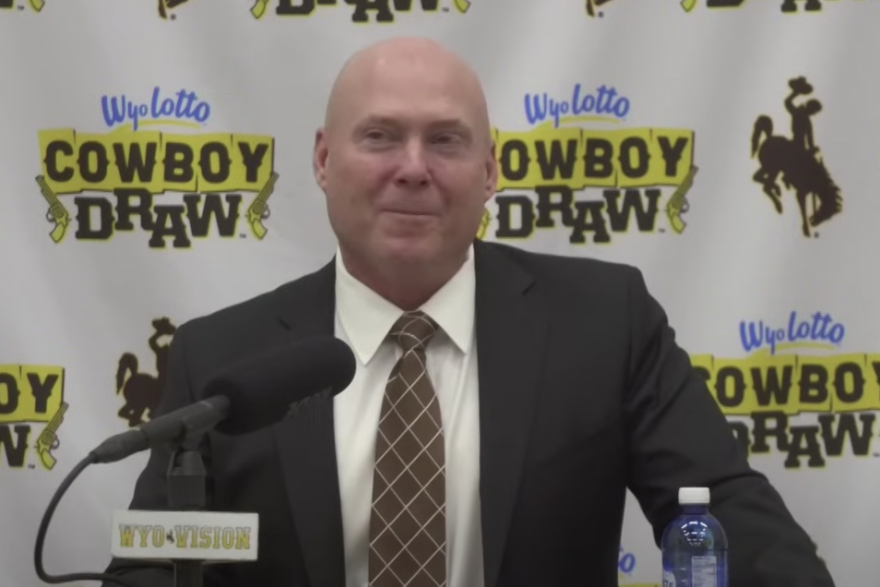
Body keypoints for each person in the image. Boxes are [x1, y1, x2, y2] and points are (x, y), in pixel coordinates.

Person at [102, 37, 836, 587]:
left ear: (491, 171)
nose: (414, 167)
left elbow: (728, 514)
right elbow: (150, 567)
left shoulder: (607, 323)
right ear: (324, 161)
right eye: (380, 135)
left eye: (446, 140)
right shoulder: (223, 358)